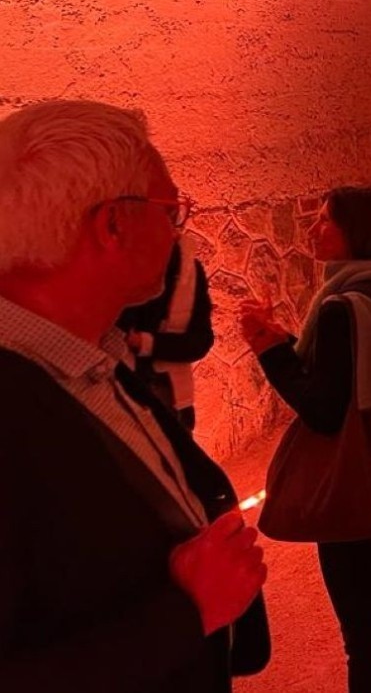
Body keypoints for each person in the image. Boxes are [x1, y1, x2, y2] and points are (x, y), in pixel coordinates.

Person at [0, 100, 268, 692]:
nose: (178, 228)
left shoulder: (89, 356)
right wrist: (186, 615)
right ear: (113, 225)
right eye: (171, 209)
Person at [240, 185, 371, 693]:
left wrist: (269, 351)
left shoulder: (342, 308)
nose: (312, 228)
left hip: (351, 479)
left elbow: (324, 410)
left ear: (358, 231)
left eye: (325, 220)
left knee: (360, 626)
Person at [116, 234, 214, 430]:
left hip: (173, 399)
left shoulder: (190, 272)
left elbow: (201, 341)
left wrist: (147, 343)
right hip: (124, 397)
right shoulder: (119, 265)